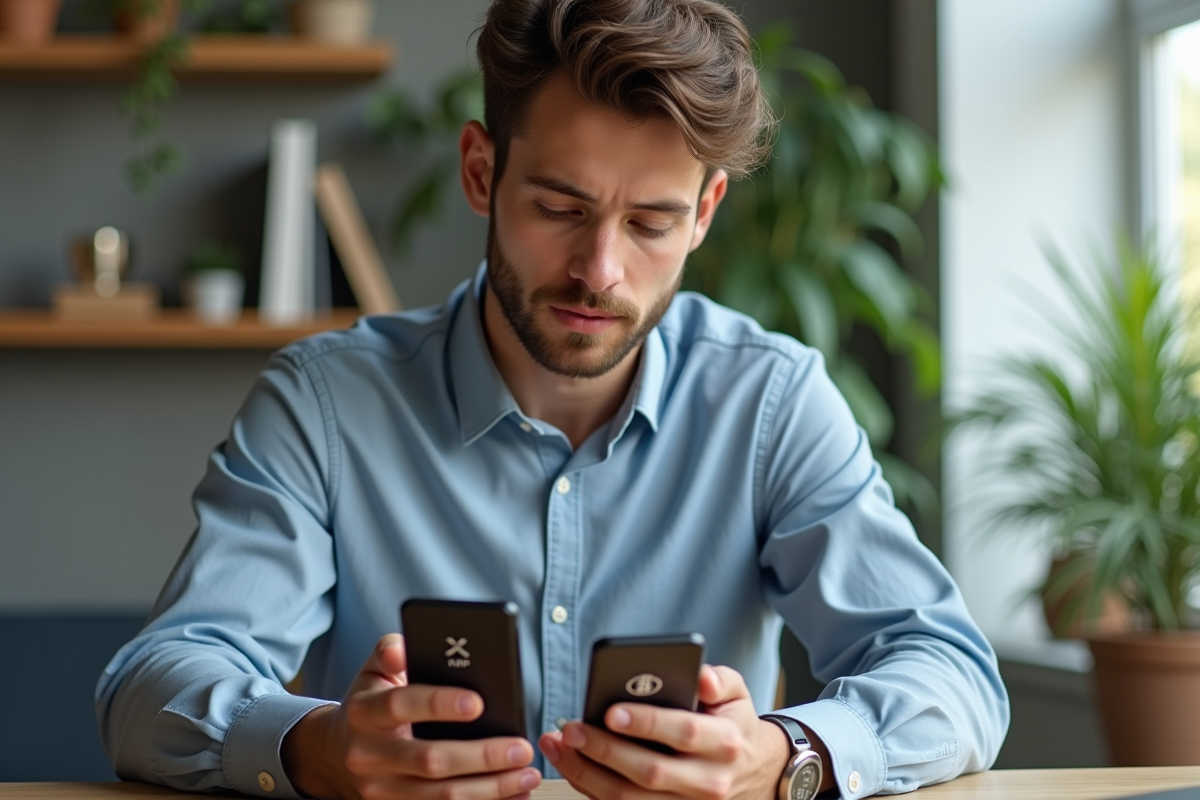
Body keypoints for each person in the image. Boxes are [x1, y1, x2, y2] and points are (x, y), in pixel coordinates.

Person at [96, 1, 1009, 798]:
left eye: (650, 222)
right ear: (481, 172)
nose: (599, 271)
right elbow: (151, 690)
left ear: (705, 213)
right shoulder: (325, 406)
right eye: (560, 207)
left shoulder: (770, 401)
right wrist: (319, 749)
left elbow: (952, 675)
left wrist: (784, 754)